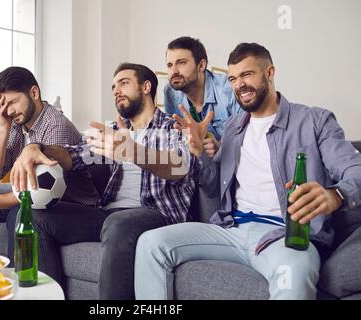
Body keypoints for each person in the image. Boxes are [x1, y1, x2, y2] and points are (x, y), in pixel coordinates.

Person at [134, 43, 361, 300]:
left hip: (283, 235)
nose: (239, 85)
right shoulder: (233, 127)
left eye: (247, 75)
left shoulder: (314, 121)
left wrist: (336, 195)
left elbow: (355, 170)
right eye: (232, 78)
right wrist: (199, 153)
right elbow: (212, 187)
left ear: (270, 72)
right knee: (151, 244)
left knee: (294, 274)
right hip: (231, 229)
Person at [9, 63, 198, 299]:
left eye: (124, 83)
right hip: (108, 215)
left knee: (118, 223)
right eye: (113, 87)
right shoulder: (112, 132)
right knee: (34, 217)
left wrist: (133, 151)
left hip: (156, 215)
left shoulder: (173, 128)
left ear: (146, 87)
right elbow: (74, 155)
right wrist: (36, 147)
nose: (116, 90)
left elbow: (179, 166)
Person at [0, 66, 99, 262]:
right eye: (4, 104)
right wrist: (4, 128)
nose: (9, 110)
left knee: (18, 213)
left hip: (68, 203)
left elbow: (37, 191)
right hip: (32, 193)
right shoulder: (16, 124)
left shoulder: (56, 126)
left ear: (34, 93)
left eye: (13, 101)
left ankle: (15, 286)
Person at [164, 36, 241, 156]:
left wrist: (220, 149)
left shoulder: (229, 89)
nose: (173, 71)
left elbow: (248, 142)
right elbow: (176, 139)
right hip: (198, 168)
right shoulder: (170, 92)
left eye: (181, 62)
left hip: (233, 167)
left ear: (201, 65)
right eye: (169, 65)